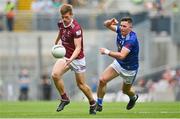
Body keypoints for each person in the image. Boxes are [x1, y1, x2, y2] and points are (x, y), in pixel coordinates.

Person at [51, 4, 96, 114]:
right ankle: (64, 98)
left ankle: (92, 102)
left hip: (77, 58)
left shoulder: (76, 28)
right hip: (66, 56)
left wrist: (71, 60)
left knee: (81, 85)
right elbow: (60, 31)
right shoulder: (61, 23)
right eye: (63, 17)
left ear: (71, 15)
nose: (64, 19)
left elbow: (78, 48)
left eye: (66, 17)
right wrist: (56, 42)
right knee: (55, 75)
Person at [96, 17, 139, 112]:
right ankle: (99, 104)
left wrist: (107, 51)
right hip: (119, 64)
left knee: (125, 91)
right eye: (121, 25)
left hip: (129, 69)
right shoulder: (120, 30)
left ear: (130, 28)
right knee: (102, 80)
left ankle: (133, 97)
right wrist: (110, 22)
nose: (122, 28)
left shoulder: (131, 40)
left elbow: (122, 55)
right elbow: (106, 24)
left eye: (125, 26)